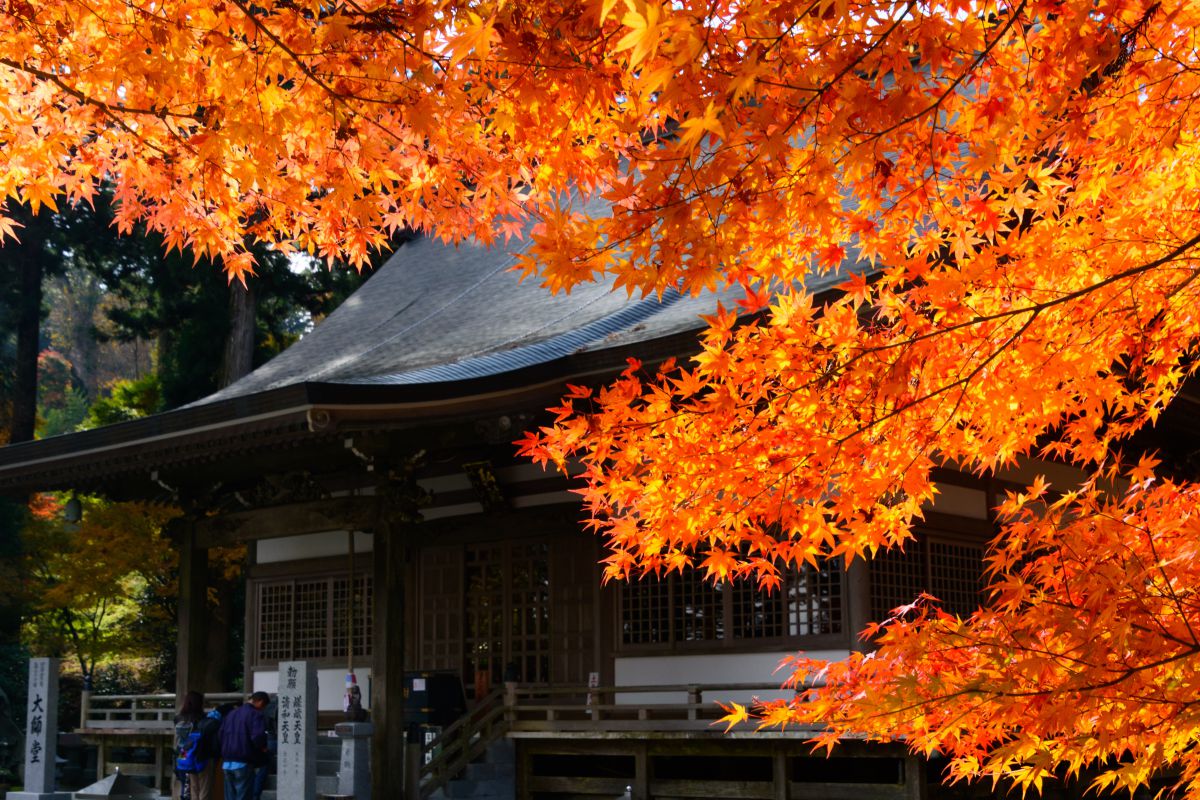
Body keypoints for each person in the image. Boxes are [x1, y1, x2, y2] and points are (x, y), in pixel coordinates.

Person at [218, 692, 270, 800]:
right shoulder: (255, 714)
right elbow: (258, 736)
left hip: (227, 761)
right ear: (260, 702)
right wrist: (263, 747)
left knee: (229, 796)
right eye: (264, 706)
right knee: (243, 795)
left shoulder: (231, 714)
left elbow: (220, 735)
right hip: (243, 759)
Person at [174, 691, 220, 800]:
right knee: (205, 787)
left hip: (185, 754)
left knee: (193, 786)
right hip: (202, 755)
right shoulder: (205, 720)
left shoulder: (179, 719)